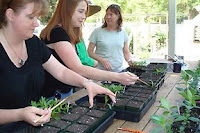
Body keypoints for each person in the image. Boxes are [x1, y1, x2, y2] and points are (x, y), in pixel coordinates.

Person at [0, 0, 116, 130]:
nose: (37, 23)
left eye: (37, 17)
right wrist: (20, 114)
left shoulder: (33, 43)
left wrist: (86, 83)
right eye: (30, 17)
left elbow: (61, 72)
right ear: (10, 15)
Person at [40, 0, 138, 99]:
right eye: (80, 11)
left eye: (85, 12)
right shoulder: (57, 33)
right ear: (68, 10)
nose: (84, 16)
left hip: (65, 90)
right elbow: (78, 68)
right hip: (53, 95)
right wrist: (118, 77)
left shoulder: (68, 32)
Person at [88, 4, 133, 72]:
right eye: (107, 14)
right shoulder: (97, 32)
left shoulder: (122, 33)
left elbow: (126, 52)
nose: (108, 17)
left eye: (111, 14)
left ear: (118, 16)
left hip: (118, 72)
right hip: (101, 72)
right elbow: (89, 52)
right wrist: (102, 60)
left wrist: (130, 61)